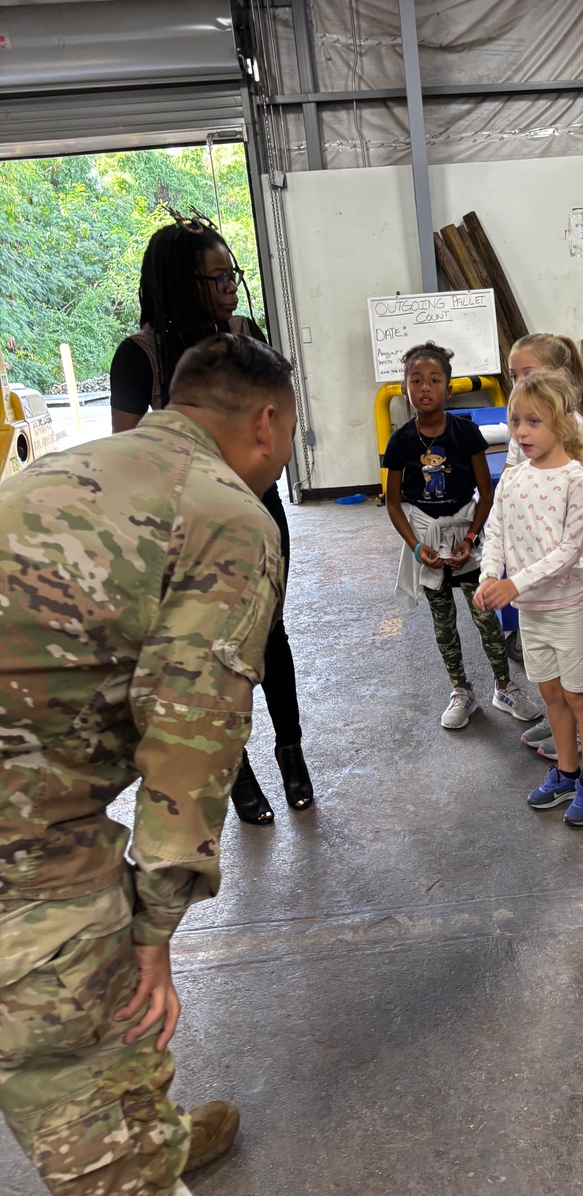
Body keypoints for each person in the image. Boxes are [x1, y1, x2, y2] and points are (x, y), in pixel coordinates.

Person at [0, 333, 294, 1196]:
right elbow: (191, 737)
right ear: (266, 423)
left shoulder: (76, 466)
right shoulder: (227, 514)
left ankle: (148, 1127)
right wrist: (155, 926)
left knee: (89, 965)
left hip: (33, 778)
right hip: (23, 821)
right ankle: (122, 1161)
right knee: (77, 1000)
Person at [109, 212, 311, 824]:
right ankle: (238, 774)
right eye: (216, 277)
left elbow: (275, 416)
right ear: (179, 283)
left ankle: (292, 752)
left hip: (258, 510)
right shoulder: (140, 356)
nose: (230, 286)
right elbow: (134, 459)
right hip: (186, 529)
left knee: (268, 634)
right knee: (209, 650)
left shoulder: (245, 337)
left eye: (233, 274)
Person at [475, 373, 583, 826]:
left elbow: (568, 551)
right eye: (516, 421)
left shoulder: (577, 480)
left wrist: (515, 584)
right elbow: (495, 530)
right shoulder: (512, 478)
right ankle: (567, 771)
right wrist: (491, 573)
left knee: (579, 696)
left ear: (562, 423)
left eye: (534, 421)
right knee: (551, 693)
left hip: (567, 610)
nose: (522, 432)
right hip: (531, 614)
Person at [383, 341, 539, 730]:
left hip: (466, 534)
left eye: (434, 380)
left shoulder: (466, 433)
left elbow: (486, 494)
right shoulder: (401, 441)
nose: (425, 388)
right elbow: (392, 503)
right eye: (415, 380)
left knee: (485, 614)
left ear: (448, 389)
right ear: (405, 387)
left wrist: (470, 538)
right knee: (443, 620)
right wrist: (418, 547)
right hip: (426, 536)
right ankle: (460, 690)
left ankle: (504, 687)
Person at [503, 333, 583, 759]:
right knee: (549, 679)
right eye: (514, 376)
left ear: (558, 377)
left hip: (557, 575)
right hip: (531, 583)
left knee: (575, 684)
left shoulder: (573, 446)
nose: (520, 382)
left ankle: (575, 744)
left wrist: (514, 580)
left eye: (529, 374)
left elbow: (566, 541)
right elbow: (508, 491)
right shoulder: (522, 427)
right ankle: (559, 729)